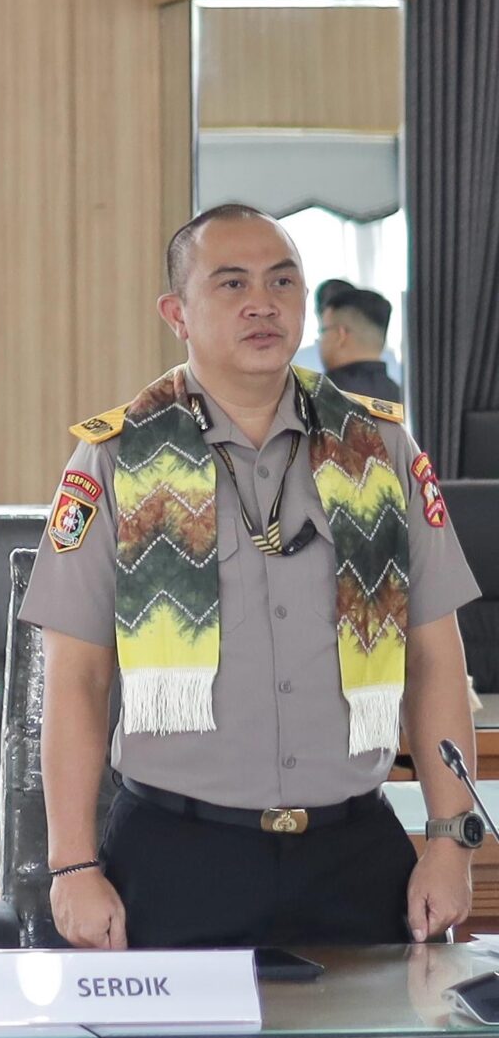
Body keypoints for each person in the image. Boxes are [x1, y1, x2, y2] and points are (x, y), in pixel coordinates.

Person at [24, 203, 481, 951]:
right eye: (232, 283)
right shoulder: (117, 458)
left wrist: (450, 840)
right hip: (176, 855)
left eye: (282, 281)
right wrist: (72, 865)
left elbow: (434, 658)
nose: (262, 303)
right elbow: (76, 677)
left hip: (355, 854)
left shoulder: (380, 451)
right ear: (177, 312)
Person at [318, 286, 404, 406]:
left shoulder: (320, 397)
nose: (320, 340)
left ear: (340, 335)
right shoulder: (403, 398)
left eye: (323, 331)